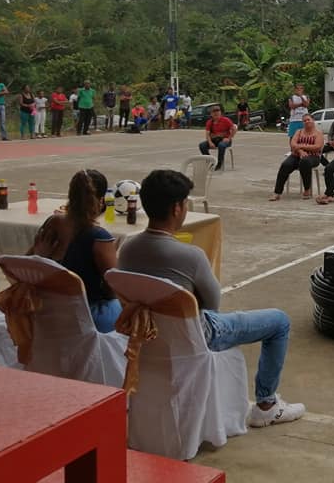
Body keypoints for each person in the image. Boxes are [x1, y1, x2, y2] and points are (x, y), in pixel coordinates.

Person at [117, 169, 304, 427]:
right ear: (176, 208)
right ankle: (267, 405)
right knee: (279, 322)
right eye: (185, 203)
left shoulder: (127, 248)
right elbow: (213, 304)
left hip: (146, 333)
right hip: (197, 335)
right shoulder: (190, 256)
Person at [28, 170, 121, 333]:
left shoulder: (53, 223)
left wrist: (39, 258)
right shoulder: (99, 237)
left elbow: (24, 264)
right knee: (128, 307)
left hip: (46, 308)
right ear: (101, 201)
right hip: (84, 315)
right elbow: (113, 286)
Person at [270, 114, 323, 200]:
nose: (306, 122)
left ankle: (307, 189)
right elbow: (293, 144)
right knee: (285, 165)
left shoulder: (318, 133)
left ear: (313, 120)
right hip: (297, 155)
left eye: (308, 120)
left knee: (304, 162)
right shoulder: (299, 132)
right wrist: (300, 151)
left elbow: (317, 147)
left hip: (313, 156)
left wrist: (301, 146)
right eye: (304, 121)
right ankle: (277, 192)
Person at [198, 106, 236, 171]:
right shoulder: (209, 122)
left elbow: (234, 129)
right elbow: (207, 134)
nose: (216, 113)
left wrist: (229, 138)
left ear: (220, 113)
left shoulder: (226, 120)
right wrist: (210, 142)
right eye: (214, 112)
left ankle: (219, 163)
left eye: (218, 112)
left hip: (225, 140)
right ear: (211, 114)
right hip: (215, 140)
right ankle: (211, 160)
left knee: (221, 145)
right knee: (202, 145)